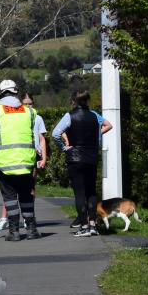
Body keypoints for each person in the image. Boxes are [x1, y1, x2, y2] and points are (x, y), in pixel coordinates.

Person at [0, 79, 46, 241]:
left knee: (9, 197)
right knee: (26, 196)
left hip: (4, 162)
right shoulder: (29, 112)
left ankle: (14, 232)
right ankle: (31, 229)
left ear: (0, 93)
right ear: (16, 92)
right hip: (25, 160)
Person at [50, 90, 113, 237]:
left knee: (79, 193)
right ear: (87, 101)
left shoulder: (69, 116)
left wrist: (64, 147)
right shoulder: (94, 116)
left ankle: (83, 225)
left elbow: (55, 133)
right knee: (91, 192)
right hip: (91, 158)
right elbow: (104, 131)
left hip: (75, 158)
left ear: (73, 101)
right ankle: (92, 225)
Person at [0, 91, 46, 231]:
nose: (28, 106)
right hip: (21, 156)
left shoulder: (35, 116)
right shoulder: (16, 116)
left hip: (30, 155)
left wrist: (43, 157)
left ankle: (26, 222)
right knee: (15, 193)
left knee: (25, 192)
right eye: (25, 104)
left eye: (30, 104)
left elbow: (41, 138)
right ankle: (8, 219)